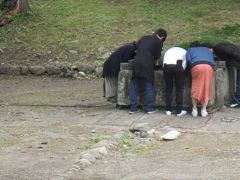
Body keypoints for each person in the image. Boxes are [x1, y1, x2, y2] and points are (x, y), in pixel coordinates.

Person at [129, 28, 167, 114]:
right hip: (147, 65)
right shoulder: (159, 41)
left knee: (134, 85)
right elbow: (157, 55)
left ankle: (133, 109)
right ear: (162, 37)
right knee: (148, 85)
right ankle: (149, 108)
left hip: (137, 63)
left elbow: (137, 47)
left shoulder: (144, 37)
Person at [186, 42, 215, 117]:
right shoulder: (207, 49)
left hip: (197, 67)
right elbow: (212, 59)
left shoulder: (189, 50)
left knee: (196, 87)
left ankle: (195, 109)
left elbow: (188, 60)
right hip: (209, 67)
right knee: (206, 87)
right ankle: (204, 110)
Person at [213, 42, 240, 108]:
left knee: (239, 84)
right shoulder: (220, 49)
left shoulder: (218, 47)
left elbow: (233, 53)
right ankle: (237, 101)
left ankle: (237, 102)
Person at [163, 46, 187, 117]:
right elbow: (184, 64)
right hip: (178, 65)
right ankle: (179, 111)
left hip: (166, 66)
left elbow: (164, 61)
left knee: (168, 88)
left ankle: (168, 110)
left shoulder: (168, 50)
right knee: (179, 90)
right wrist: (182, 71)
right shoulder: (184, 51)